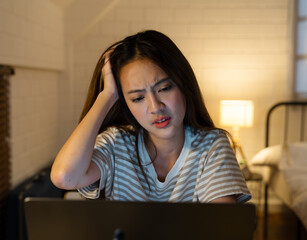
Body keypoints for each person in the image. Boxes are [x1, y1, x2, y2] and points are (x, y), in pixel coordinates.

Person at [51, 30, 251, 203]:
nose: (156, 107)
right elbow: (64, 177)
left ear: (183, 84)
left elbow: (222, 229)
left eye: (164, 88)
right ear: (125, 104)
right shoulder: (117, 143)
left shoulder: (212, 146)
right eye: (137, 98)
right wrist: (107, 96)